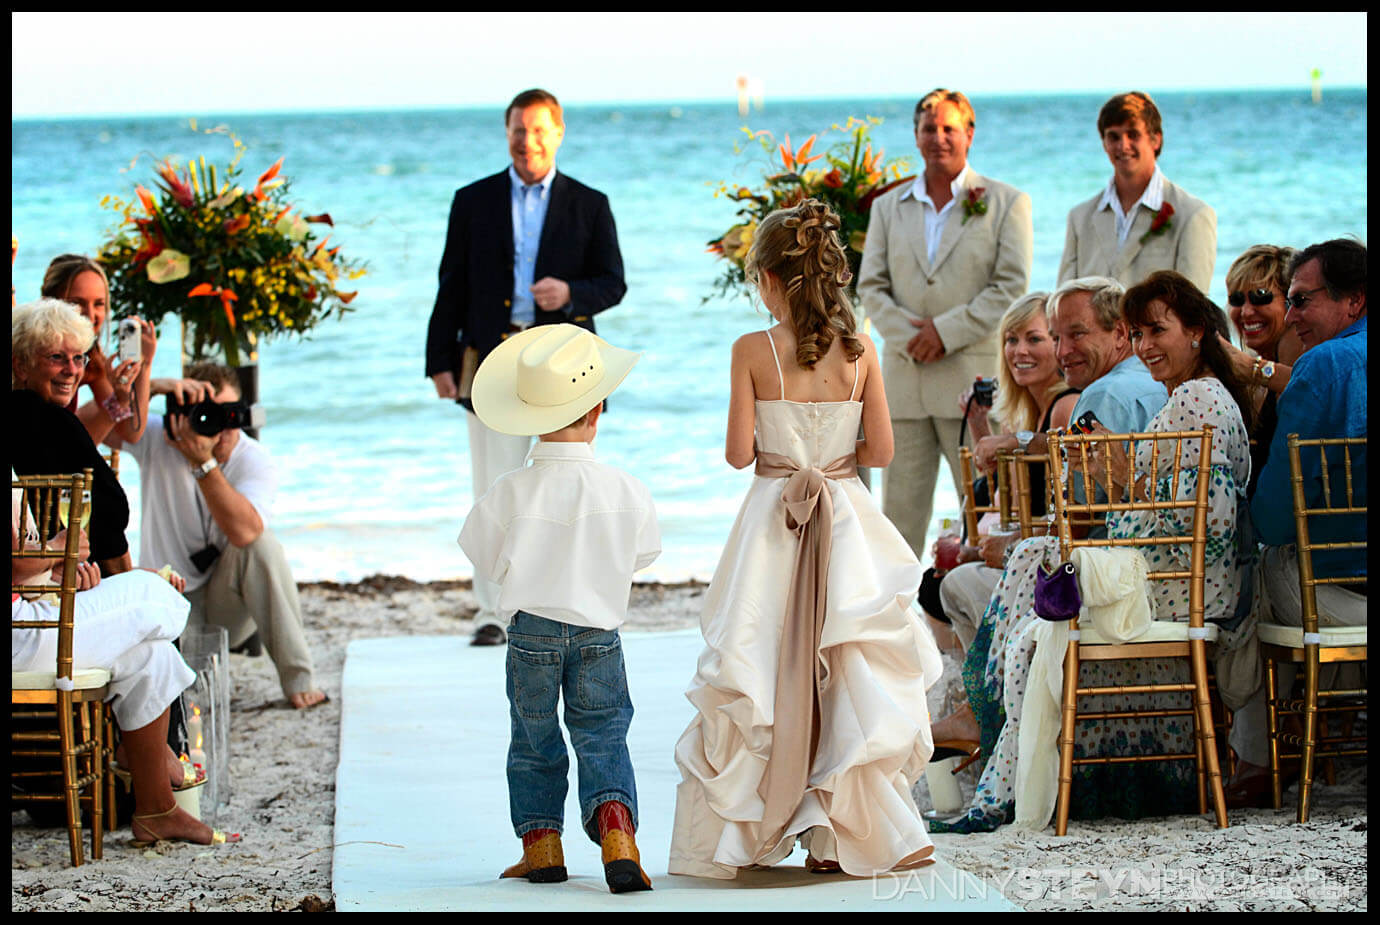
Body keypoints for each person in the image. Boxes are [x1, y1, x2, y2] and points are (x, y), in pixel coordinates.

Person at [670, 200, 943, 878]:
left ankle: (761, 825)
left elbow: (739, 453)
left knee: (761, 660)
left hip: (774, 520)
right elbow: (879, 450)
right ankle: (837, 837)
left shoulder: (751, 350)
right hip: (846, 517)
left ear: (766, 279)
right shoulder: (861, 351)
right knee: (848, 664)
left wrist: (785, 449)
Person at [931, 270, 1253, 833]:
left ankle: (993, 747)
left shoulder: (1196, 397)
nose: (1147, 346)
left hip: (1176, 587)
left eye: (1158, 332)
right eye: (1141, 334)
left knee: (1035, 555)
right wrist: (1118, 473)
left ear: (1198, 331)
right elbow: (1169, 503)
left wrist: (1111, 484)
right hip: (1188, 578)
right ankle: (994, 745)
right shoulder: (1196, 396)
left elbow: (1175, 521)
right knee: (1039, 555)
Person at [11, 300, 229, 847]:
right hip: (24, 633)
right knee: (157, 598)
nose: (70, 368)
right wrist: (63, 549)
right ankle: (159, 759)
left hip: (37, 615)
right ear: (20, 364)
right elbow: (21, 559)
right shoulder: (30, 421)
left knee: (148, 654)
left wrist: (64, 567)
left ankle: (157, 808)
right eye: (54, 357)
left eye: (78, 358)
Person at [458, 323, 659, 894]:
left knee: (534, 739)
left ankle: (542, 847)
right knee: (603, 735)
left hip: (531, 635)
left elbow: (483, 554)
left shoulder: (509, 490)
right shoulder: (625, 488)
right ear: (599, 410)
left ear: (527, 415)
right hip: (600, 631)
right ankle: (619, 837)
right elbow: (640, 554)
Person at [426, 88, 627, 647]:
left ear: (558, 134)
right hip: (489, 360)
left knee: (565, 481)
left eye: (539, 129)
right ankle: (494, 610)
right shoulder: (472, 200)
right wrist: (438, 359)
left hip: (563, 362)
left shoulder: (590, 203)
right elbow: (451, 285)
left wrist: (569, 293)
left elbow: (613, 282)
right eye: (518, 129)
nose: (527, 140)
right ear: (506, 133)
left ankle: (563, 599)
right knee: (494, 483)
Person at [858, 87, 1033, 566]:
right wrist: (909, 335)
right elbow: (870, 285)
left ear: (969, 134)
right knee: (897, 523)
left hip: (971, 388)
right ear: (915, 136)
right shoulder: (887, 207)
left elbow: (1010, 287)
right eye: (929, 128)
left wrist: (945, 332)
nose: (939, 138)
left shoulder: (1006, 203)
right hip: (905, 386)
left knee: (988, 512)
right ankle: (890, 626)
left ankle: (981, 622)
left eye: (949, 128)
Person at [1222, 238, 1367, 807]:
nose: (1293, 315)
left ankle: (1259, 759)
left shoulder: (1323, 366)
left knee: (1256, 568)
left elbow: (1278, 514)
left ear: (1353, 302)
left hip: (1335, 587)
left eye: (1301, 301)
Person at [106, 363, 327, 710]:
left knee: (261, 543)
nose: (219, 425)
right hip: (171, 602)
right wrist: (156, 386)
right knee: (178, 690)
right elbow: (90, 425)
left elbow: (245, 531)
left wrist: (203, 464)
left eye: (229, 413)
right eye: (207, 412)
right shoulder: (155, 438)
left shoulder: (254, 459)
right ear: (182, 412)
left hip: (231, 606)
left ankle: (299, 680)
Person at [925, 292, 1081, 653]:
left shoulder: (1065, 407)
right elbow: (1005, 491)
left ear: (1058, 345)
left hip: (1048, 563)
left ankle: (982, 697)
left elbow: (1053, 508)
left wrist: (977, 554)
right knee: (933, 584)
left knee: (948, 584)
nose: (1019, 351)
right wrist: (980, 425)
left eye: (1034, 338)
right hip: (1023, 549)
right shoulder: (1030, 413)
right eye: (1011, 339)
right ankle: (970, 693)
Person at [1058, 92, 1216, 293]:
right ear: (1104, 143)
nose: (1123, 146)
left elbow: (1193, 308)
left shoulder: (1192, 215)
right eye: (1113, 137)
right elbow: (1062, 305)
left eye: (1133, 134)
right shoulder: (1079, 218)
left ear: (1155, 140)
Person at [40, 254, 157, 447]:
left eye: (99, 304)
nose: (91, 315)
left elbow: (130, 432)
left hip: (63, 466)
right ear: (49, 302)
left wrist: (144, 365)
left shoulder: (91, 359)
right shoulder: (34, 354)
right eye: (77, 303)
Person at [1214, 245, 1302, 497]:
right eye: (1236, 300)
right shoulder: (1250, 372)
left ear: (1292, 302)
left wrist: (1252, 369)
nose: (1246, 311)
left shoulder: (1304, 361)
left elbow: (1310, 387)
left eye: (1261, 296)